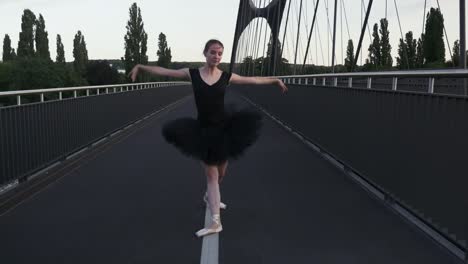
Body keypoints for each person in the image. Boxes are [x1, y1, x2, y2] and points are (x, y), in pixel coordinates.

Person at [128, 39, 287, 237]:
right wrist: (140, 66)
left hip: (225, 130)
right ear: (205, 53)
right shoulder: (192, 74)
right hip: (202, 131)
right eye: (213, 52)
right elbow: (166, 71)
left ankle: (209, 196)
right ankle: (215, 221)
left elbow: (252, 80)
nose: (217, 56)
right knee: (212, 177)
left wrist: (275, 80)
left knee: (221, 175)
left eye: (220, 53)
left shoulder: (226, 76)